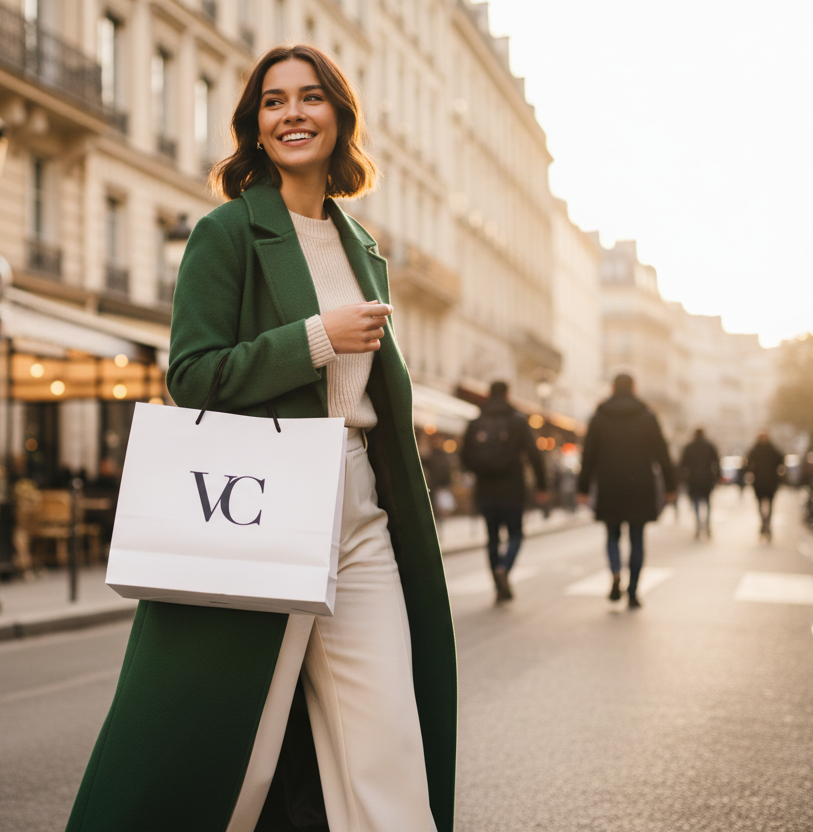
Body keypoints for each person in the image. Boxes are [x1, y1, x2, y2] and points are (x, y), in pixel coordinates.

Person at [67, 45, 456, 832]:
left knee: (386, 737)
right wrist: (317, 337)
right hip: (263, 501)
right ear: (256, 125)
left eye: (310, 97)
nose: (293, 114)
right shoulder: (227, 233)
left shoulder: (361, 246)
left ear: (339, 116)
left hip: (361, 507)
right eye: (274, 102)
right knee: (233, 750)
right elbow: (192, 375)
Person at [577, 374, 676, 609]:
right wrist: (671, 486)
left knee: (612, 534)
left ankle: (615, 573)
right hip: (640, 484)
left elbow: (588, 455)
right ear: (634, 388)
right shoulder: (647, 416)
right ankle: (632, 591)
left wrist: (583, 487)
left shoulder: (599, 417)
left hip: (609, 482)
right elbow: (662, 453)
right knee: (637, 538)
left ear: (612, 388)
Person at [460, 380, 548, 604]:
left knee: (492, 538)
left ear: (488, 394)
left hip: (486, 490)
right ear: (508, 394)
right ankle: (504, 568)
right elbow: (534, 454)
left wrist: (481, 471)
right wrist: (542, 485)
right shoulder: (518, 421)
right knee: (515, 534)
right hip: (512, 489)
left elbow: (464, 457)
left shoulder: (476, 422)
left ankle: (498, 586)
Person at [678, 427, 720, 540]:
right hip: (707, 479)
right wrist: (717, 477)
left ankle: (698, 524)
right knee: (707, 503)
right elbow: (716, 461)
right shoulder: (709, 446)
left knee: (696, 503)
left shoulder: (689, 447)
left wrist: (683, 479)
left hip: (693, 479)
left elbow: (682, 464)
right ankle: (707, 524)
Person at [745, 431, 784, 540]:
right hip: (767, 482)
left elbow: (747, 464)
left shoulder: (757, 449)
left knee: (765, 504)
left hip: (763, 482)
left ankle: (765, 523)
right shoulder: (770, 449)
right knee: (766, 504)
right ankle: (765, 522)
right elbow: (781, 461)